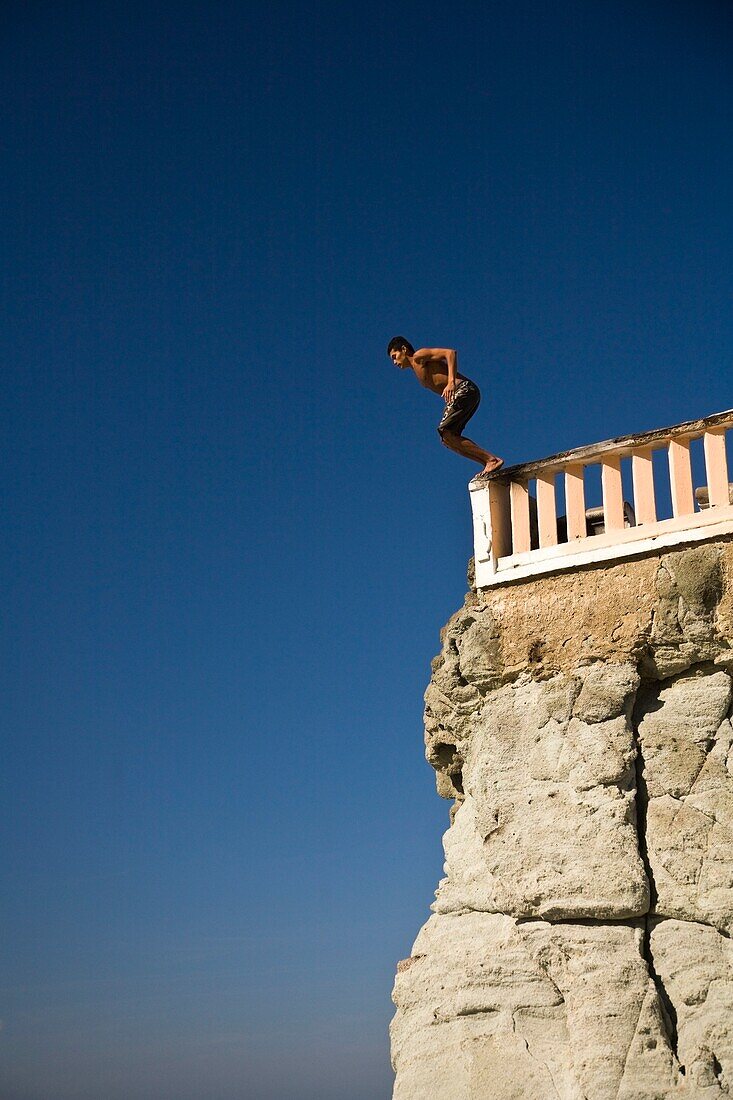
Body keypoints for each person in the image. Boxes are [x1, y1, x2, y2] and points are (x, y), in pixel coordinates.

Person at [387, 337, 503, 475]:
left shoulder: (419, 356)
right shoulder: (416, 371)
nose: (394, 362)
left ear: (404, 349)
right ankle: (488, 463)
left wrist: (451, 381)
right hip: (463, 394)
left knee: (445, 431)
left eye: (395, 356)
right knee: (447, 438)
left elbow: (450, 353)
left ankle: (491, 460)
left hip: (464, 389)